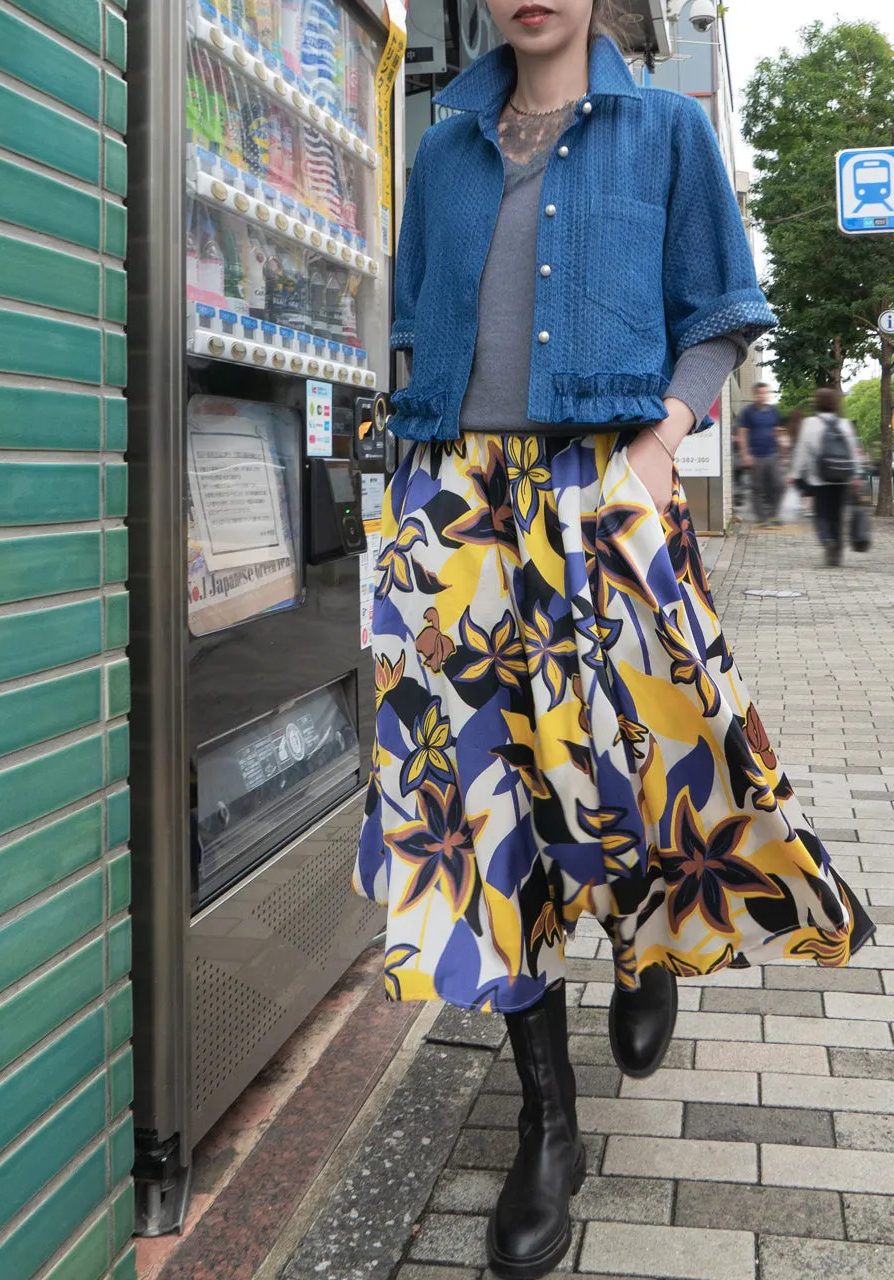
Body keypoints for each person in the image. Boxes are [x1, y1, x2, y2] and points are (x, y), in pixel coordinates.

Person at [352, 4, 874, 1276]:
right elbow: (418, 327)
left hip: (605, 496)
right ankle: (548, 1116)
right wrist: (406, 506)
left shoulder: (669, 129)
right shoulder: (443, 145)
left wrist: (654, 447)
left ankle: (649, 940)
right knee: (479, 814)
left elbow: (721, 310)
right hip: (458, 506)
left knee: (640, 772)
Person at [792, 387, 862, 566]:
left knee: (821, 514)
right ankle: (837, 548)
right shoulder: (844, 424)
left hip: (819, 478)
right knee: (838, 515)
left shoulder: (809, 424)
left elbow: (802, 451)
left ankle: (827, 539)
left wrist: (795, 473)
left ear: (817, 403)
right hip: (842, 478)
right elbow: (854, 451)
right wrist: (856, 474)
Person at [737, 382, 785, 525]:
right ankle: (762, 518)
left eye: (765, 393)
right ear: (755, 395)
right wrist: (745, 454)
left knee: (779, 485)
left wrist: (782, 448)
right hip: (755, 456)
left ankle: (773, 515)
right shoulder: (748, 412)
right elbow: (742, 433)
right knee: (757, 488)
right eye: (760, 393)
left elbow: (778, 430)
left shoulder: (773, 411)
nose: (763, 396)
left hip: (772, 455)